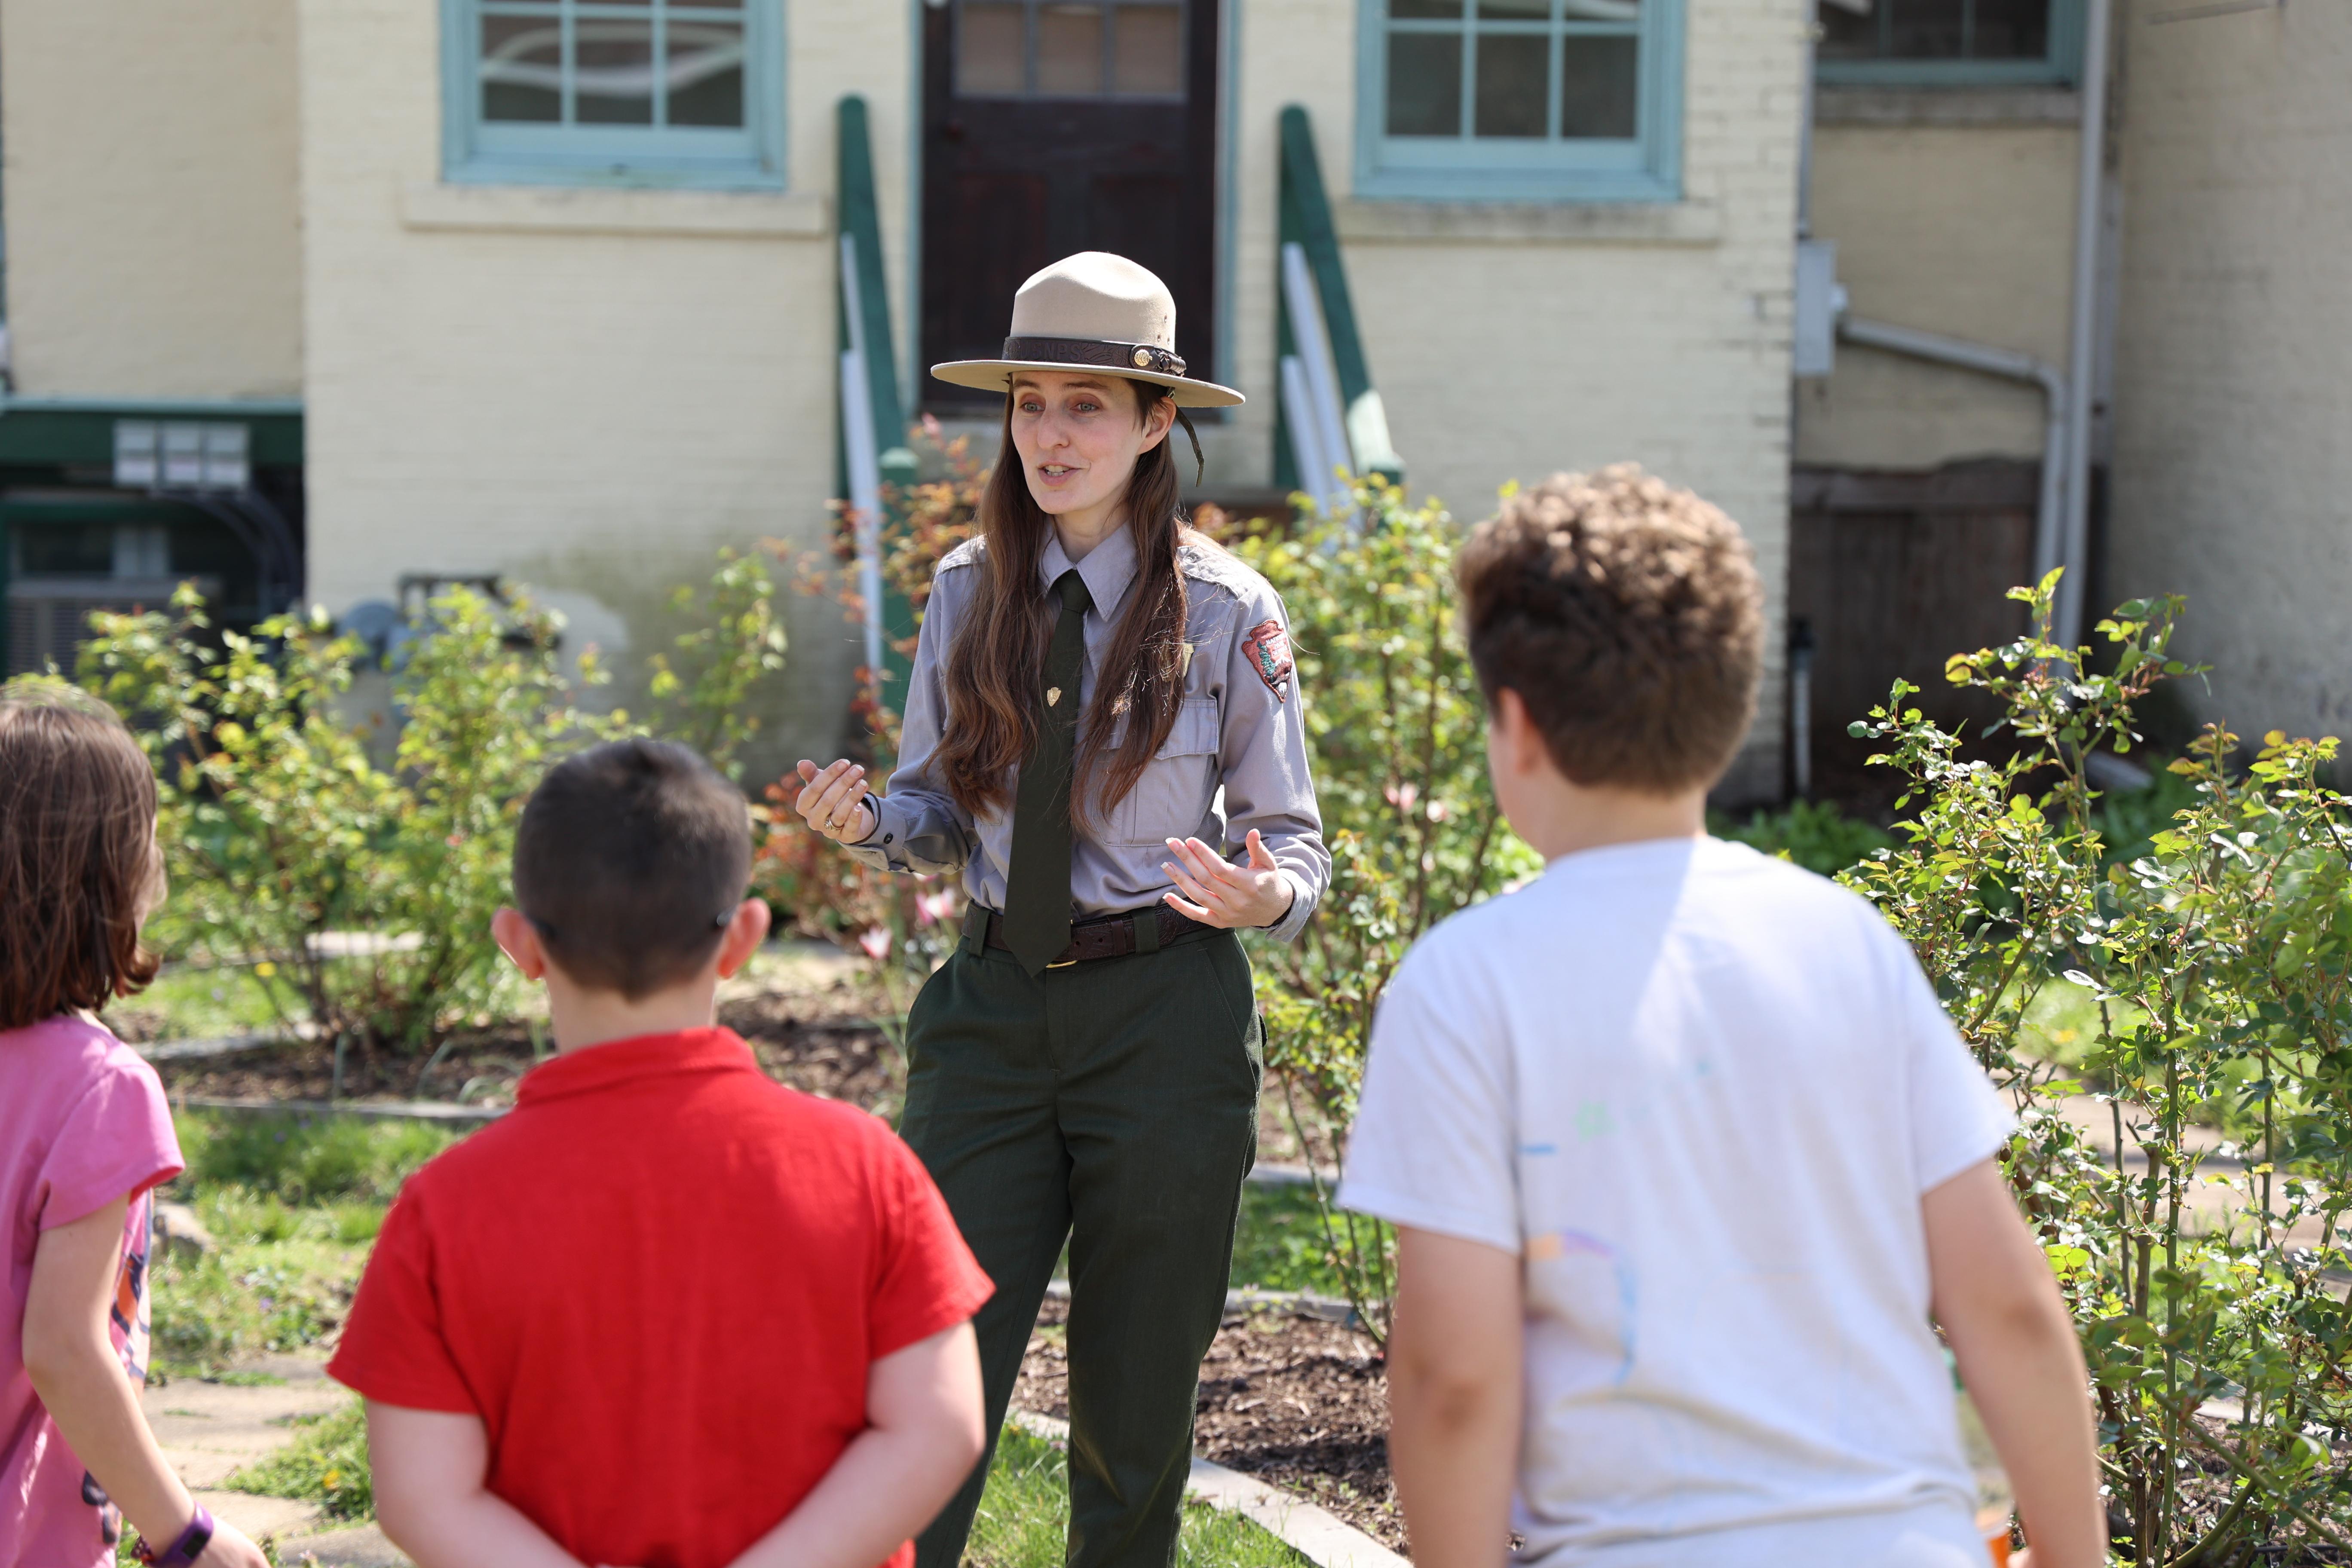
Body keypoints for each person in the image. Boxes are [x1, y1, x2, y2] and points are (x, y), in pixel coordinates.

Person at [1338, 467, 2105, 1568]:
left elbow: (1454, 1380)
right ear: (1733, 708)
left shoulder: (1462, 986)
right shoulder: (1848, 944)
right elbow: (2010, 1308)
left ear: (1515, 724)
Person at [792, 251, 1330, 1568]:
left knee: (1135, 1403)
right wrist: (871, 823)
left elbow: (1297, 845)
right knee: (930, 1375)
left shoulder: (1226, 614)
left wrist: (1264, 896)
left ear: (1158, 426)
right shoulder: (970, 590)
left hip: (1166, 1020)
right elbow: (932, 809)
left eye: (1087, 405)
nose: (1051, 435)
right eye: (1032, 404)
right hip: (988, 1017)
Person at [327, 738, 992, 1568]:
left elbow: (423, 1497)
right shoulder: (866, 1167)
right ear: (745, 939)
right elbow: (940, 1427)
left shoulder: (443, 1207)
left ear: (519, 944)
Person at [1, 680, 271, 1568]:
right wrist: (187, 1534)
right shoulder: (101, 1090)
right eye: (147, 833)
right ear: (104, 872)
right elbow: (63, 1350)